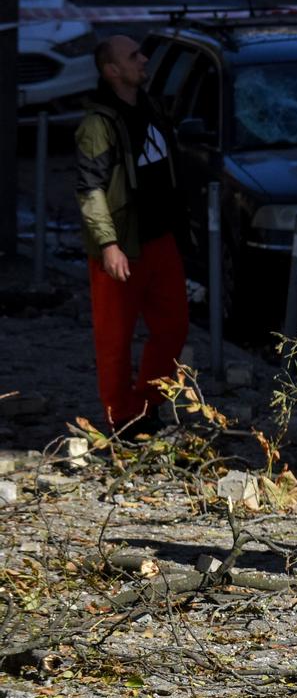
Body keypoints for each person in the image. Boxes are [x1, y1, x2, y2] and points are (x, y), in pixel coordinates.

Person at [75, 35, 189, 433]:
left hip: (160, 239)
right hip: (123, 246)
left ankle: (148, 403)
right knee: (114, 339)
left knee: (174, 326)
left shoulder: (150, 106)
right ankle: (121, 419)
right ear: (112, 71)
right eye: (134, 56)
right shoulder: (98, 124)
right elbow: (90, 189)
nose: (144, 60)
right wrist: (108, 244)